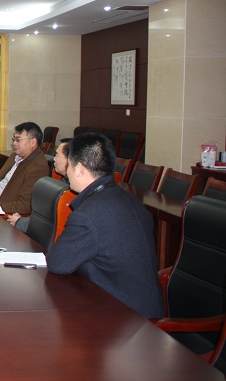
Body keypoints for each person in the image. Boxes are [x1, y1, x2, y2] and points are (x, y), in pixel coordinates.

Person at [46, 133, 164, 319]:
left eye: (69, 166)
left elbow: (57, 262)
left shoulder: (88, 214)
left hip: (123, 318)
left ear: (80, 169)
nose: (67, 173)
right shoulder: (131, 200)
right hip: (147, 310)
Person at [7, 138, 71, 231]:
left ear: (70, 160)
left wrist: (19, 222)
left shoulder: (69, 192)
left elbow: (49, 221)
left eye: (57, 155)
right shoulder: (64, 181)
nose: (54, 159)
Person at [0, 122, 48, 215]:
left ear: (33, 142)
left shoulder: (38, 167)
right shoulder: (14, 157)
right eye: (14, 139)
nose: (14, 143)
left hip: (2, 213)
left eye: (18, 140)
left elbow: (25, 206)